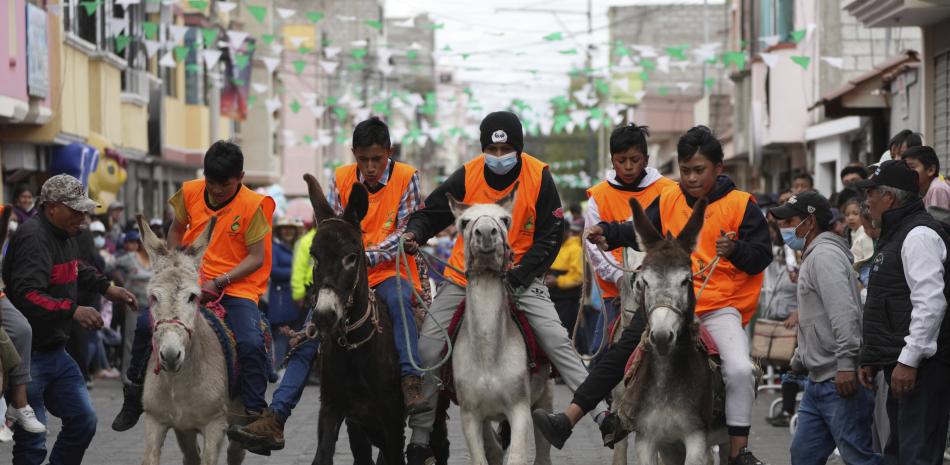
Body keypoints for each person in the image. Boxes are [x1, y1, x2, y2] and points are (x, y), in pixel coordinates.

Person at [535, 125, 772, 465]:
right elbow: (640, 230)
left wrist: (735, 249)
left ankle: (739, 452)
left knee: (738, 370)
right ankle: (568, 420)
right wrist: (610, 234)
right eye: (686, 170)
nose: (691, 178)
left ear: (719, 168)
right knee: (619, 354)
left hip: (718, 307)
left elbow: (761, 256)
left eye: (699, 170)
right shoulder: (670, 199)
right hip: (668, 303)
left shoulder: (742, 205)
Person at [399, 111, 608, 464]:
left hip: (520, 277)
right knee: (429, 347)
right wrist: (415, 233)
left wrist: (521, 274)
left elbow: (550, 236)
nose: (498, 156)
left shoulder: (539, 175)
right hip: (464, 278)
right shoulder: (466, 174)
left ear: (519, 148)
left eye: (506, 148)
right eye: (491, 149)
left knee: (556, 340)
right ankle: (420, 437)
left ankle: (602, 414)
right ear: (483, 149)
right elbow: (431, 212)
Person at [227, 117, 427, 452]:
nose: (370, 167)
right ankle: (276, 416)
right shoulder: (340, 178)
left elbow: (403, 232)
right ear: (354, 154)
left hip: (391, 270)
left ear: (388, 153)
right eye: (363, 159)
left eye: (377, 159)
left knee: (400, 303)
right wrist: (345, 261)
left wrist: (363, 256)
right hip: (345, 276)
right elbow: (333, 228)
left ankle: (410, 380)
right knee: (310, 331)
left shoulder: (408, 178)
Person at [112, 140, 275, 432]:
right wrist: (176, 268)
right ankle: (134, 394)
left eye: (224, 184)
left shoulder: (254, 205)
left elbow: (256, 257)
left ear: (240, 177)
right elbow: (176, 230)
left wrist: (220, 280)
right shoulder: (190, 192)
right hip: (189, 282)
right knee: (143, 326)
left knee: (251, 342)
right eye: (211, 182)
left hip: (236, 288)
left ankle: (254, 412)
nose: (215, 189)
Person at [5, 174, 136, 465]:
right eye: (76, 210)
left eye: (84, 210)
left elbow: (76, 269)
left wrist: (107, 288)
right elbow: (28, 295)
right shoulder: (33, 238)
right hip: (29, 359)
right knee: (32, 444)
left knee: (84, 421)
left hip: (57, 353)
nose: (83, 217)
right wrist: (73, 310)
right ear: (52, 207)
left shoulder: (66, 235)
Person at [770, 191, 881, 465]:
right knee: (804, 456)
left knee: (858, 457)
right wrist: (798, 361)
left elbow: (844, 314)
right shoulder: (814, 255)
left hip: (838, 381)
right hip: (818, 381)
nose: (783, 228)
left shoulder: (825, 257)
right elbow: (814, 316)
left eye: (790, 221)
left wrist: (845, 365)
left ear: (809, 222)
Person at [855, 160, 950, 465]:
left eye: (871, 193)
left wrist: (909, 361)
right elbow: (887, 302)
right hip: (900, 365)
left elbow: (930, 304)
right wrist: (872, 357)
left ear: (890, 198)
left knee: (916, 455)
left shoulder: (919, 235)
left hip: (921, 369)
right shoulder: (895, 233)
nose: (866, 202)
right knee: (898, 453)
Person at [583, 123, 676, 360]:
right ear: (612, 160)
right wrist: (622, 280)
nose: (628, 166)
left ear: (645, 159)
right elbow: (594, 249)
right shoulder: (599, 196)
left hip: (664, 291)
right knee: (601, 357)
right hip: (614, 292)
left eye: (634, 159)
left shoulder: (668, 190)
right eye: (621, 160)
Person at [111, 230, 152, 386]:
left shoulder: (156, 260)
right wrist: (120, 284)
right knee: (130, 340)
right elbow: (111, 266)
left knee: (149, 340)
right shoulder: (129, 258)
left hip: (152, 307)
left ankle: (144, 374)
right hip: (132, 305)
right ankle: (127, 375)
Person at [267, 216, 302, 368]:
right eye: (284, 228)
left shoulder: (296, 248)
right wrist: (297, 271)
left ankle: (290, 367)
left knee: (293, 335)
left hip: (294, 297)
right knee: (282, 334)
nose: (288, 231)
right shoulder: (275, 248)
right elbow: (272, 270)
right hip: (280, 298)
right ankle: (279, 367)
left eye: (291, 228)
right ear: (280, 231)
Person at [546, 219, 584, 337]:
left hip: (567, 301)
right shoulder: (552, 246)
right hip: (550, 299)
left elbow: (578, 277)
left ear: (568, 232)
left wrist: (557, 281)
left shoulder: (576, 249)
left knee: (565, 334)